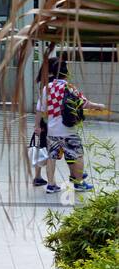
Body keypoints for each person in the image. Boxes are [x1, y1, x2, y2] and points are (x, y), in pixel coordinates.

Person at [36, 57, 102, 193]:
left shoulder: (47, 88)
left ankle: (51, 185)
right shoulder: (69, 87)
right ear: (66, 74)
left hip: (52, 130)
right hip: (67, 129)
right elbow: (85, 103)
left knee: (51, 157)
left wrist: (37, 126)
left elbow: (41, 109)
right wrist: (99, 106)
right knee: (77, 155)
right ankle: (79, 183)